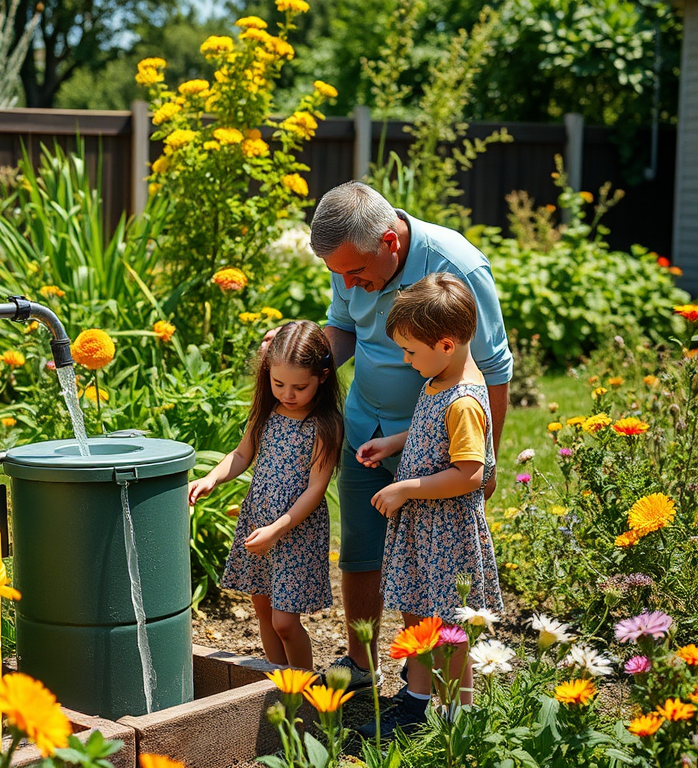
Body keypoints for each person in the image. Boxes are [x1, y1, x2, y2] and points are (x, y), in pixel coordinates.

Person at [265, 181, 512, 690]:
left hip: (435, 442)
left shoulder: (457, 267)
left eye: (355, 273)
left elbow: (494, 369)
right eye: (338, 276)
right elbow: (343, 329)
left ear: (390, 242)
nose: (348, 285)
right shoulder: (349, 262)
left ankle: (430, 683)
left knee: (425, 566)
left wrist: (486, 462)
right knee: (360, 547)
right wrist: (299, 362)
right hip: (366, 427)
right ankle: (362, 663)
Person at [353, 272, 503, 736]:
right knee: (417, 616)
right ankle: (417, 703)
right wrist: (394, 442)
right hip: (425, 530)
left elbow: (471, 474)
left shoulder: (462, 400)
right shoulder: (441, 376)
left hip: (447, 533)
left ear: (444, 344)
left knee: (448, 632)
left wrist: (406, 488)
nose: (404, 359)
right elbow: (429, 433)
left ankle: (460, 719)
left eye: (410, 351)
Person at [188, 320, 344, 670]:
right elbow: (242, 454)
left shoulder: (324, 424)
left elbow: (315, 489)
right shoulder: (267, 410)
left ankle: (302, 688)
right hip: (258, 522)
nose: (287, 394)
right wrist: (212, 478)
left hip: (294, 531)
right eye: (278, 384)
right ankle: (275, 685)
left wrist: (278, 529)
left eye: (299, 387)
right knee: (263, 609)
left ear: (322, 376)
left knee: (285, 621)